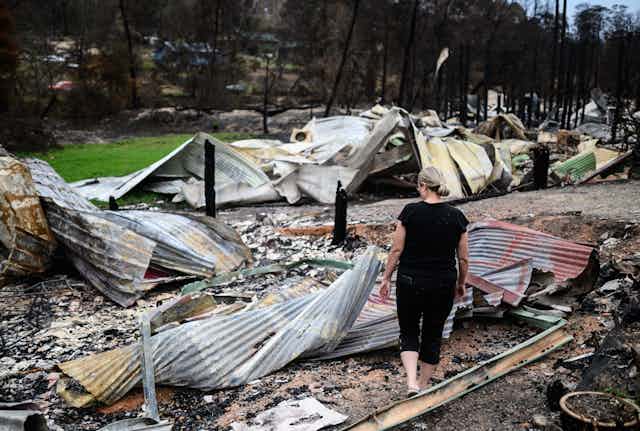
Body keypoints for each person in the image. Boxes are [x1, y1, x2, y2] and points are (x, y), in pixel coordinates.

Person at [379, 166, 469, 397]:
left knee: (408, 330)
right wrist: (461, 283)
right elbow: (464, 258)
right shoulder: (457, 217)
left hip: (410, 282)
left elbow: (396, 249)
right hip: (443, 283)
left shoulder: (410, 212)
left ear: (424, 186)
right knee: (433, 333)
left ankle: (411, 382)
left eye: (418, 186)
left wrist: (386, 278)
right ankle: (423, 385)